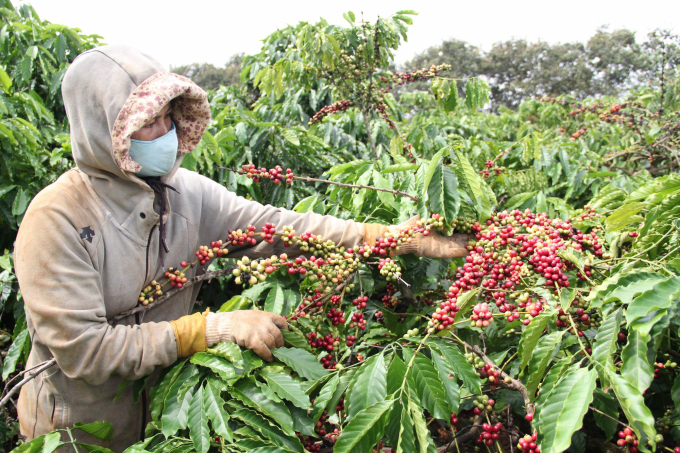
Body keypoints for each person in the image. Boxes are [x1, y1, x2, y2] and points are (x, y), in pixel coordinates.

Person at [13, 45, 469, 452]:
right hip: (78, 432)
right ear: (102, 131)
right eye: (146, 123)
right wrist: (211, 330)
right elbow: (85, 352)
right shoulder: (58, 218)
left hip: (162, 419)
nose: (166, 131)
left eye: (167, 117)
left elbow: (280, 228)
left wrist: (384, 238)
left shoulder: (186, 193)